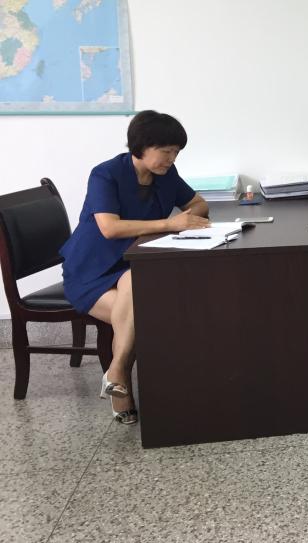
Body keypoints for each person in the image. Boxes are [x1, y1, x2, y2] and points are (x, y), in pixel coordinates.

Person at [61, 110, 210, 424]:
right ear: (141, 146)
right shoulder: (105, 174)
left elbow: (199, 204)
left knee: (135, 284)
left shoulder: (166, 174)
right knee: (145, 308)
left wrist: (187, 219)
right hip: (91, 270)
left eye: (176, 152)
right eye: (166, 151)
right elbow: (109, 228)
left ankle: (116, 372)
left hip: (133, 265)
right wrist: (169, 225)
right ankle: (125, 385)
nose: (172, 159)